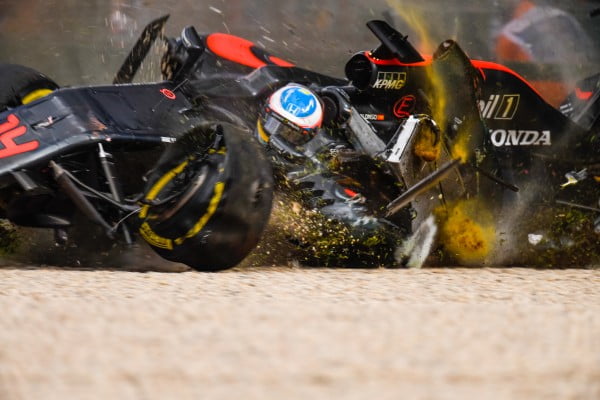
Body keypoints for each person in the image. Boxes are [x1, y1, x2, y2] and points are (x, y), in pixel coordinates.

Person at [495, 0, 595, 107]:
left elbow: (504, 85)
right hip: (582, 103)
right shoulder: (563, 17)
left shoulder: (509, 37)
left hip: (549, 110)